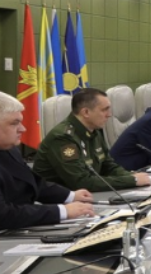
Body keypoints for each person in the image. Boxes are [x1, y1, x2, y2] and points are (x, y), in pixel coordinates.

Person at [0, 91, 95, 228]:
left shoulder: (8, 148)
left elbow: (31, 182)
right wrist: (61, 211)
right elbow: (3, 215)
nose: (23, 129)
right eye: (14, 123)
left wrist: (70, 196)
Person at [32, 88, 151, 192]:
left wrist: (131, 176)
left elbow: (108, 166)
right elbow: (80, 182)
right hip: (61, 202)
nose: (109, 114)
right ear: (85, 112)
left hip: (87, 196)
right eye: (104, 109)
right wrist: (131, 180)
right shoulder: (63, 138)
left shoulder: (94, 130)